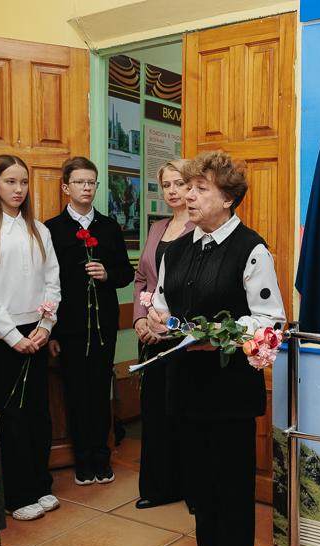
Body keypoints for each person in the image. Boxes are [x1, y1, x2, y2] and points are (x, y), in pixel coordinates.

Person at [148, 150, 285, 546]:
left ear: (227, 198)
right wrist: (156, 321)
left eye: (200, 188)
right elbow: (163, 306)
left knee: (230, 477)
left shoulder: (251, 249)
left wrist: (218, 336)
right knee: (197, 476)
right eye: (187, 187)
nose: (188, 196)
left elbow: (269, 320)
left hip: (228, 389)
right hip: (184, 382)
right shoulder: (176, 249)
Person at [0, 155, 61, 521]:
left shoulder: (39, 230)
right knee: (10, 416)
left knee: (38, 413)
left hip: (36, 332)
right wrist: (12, 336)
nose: (18, 189)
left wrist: (45, 325)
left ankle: (40, 484)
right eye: (10, 182)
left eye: (23, 182)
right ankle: (17, 494)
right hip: (0, 336)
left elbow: (52, 282)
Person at [45, 157, 133, 486]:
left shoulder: (109, 227)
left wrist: (108, 274)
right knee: (75, 393)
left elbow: (126, 273)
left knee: (99, 391)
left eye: (91, 182)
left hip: (103, 326)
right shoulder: (51, 229)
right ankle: (82, 459)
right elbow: (46, 283)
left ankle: (101, 456)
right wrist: (51, 331)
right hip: (68, 328)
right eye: (80, 182)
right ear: (66, 187)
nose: (86, 188)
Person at [132, 159, 194, 509]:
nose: (172, 191)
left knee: (184, 412)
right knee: (155, 412)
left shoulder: (202, 229)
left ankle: (191, 488)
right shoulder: (157, 228)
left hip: (184, 337)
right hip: (150, 336)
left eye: (179, 183)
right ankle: (158, 488)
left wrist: (168, 325)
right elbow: (143, 279)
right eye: (167, 184)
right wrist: (140, 320)